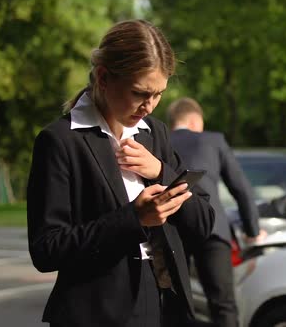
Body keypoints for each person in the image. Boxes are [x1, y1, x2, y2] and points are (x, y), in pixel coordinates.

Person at [27, 20, 215, 327]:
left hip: (165, 305)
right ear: (103, 77)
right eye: (140, 92)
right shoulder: (60, 141)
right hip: (96, 313)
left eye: (158, 94)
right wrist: (134, 219)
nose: (150, 106)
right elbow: (47, 250)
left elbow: (204, 222)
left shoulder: (155, 134)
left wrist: (160, 171)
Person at [168, 97, 266, 327]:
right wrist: (252, 230)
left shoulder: (159, 139)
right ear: (194, 121)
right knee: (222, 304)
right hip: (213, 229)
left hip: (172, 229)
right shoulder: (214, 140)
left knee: (173, 303)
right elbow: (241, 189)